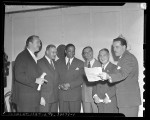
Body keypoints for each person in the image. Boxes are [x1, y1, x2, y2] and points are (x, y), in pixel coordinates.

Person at [99, 37, 141, 117]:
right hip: (125, 101)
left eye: (117, 47)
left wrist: (108, 76)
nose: (114, 49)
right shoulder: (122, 59)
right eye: (113, 47)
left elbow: (123, 74)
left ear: (124, 47)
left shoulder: (128, 58)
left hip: (128, 101)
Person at [14, 35, 47, 112]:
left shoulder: (33, 56)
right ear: (30, 43)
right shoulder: (22, 56)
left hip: (33, 99)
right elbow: (18, 76)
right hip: (25, 101)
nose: (40, 44)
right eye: (37, 42)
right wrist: (35, 80)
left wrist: (40, 96)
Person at [56, 44, 84, 113]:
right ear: (65, 51)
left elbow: (82, 79)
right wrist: (60, 85)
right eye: (69, 51)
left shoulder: (80, 63)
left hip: (75, 95)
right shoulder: (58, 62)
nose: (72, 53)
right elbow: (56, 77)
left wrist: (69, 84)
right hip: (62, 94)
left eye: (73, 51)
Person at [92, 48, 118, 113]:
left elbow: (117, 85)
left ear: (108, 55)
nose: (102, 57)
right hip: (100, 101)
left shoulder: (114, 68)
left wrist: (108, 96)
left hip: (110, 101)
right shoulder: (98, 69)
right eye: (100, 55)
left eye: (104, 55)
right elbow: (94, 85)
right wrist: (95, 96)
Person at [38, 44, 59, 112]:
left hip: (55, 98)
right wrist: (40, 97)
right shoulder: (39, 63)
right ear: (47, 52)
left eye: (56, 52)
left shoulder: (55, 63)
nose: (55, 54)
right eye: (53, 52)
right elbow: (36, 81)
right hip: (45, 98)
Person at [81, 46, 99, 113]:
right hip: (85, 94)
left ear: (92, 52)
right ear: (83, 55)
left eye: (89, 51)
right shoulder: (83, 64)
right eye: (85, 53)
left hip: (95, 94)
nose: (87, 54)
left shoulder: (99, 64)